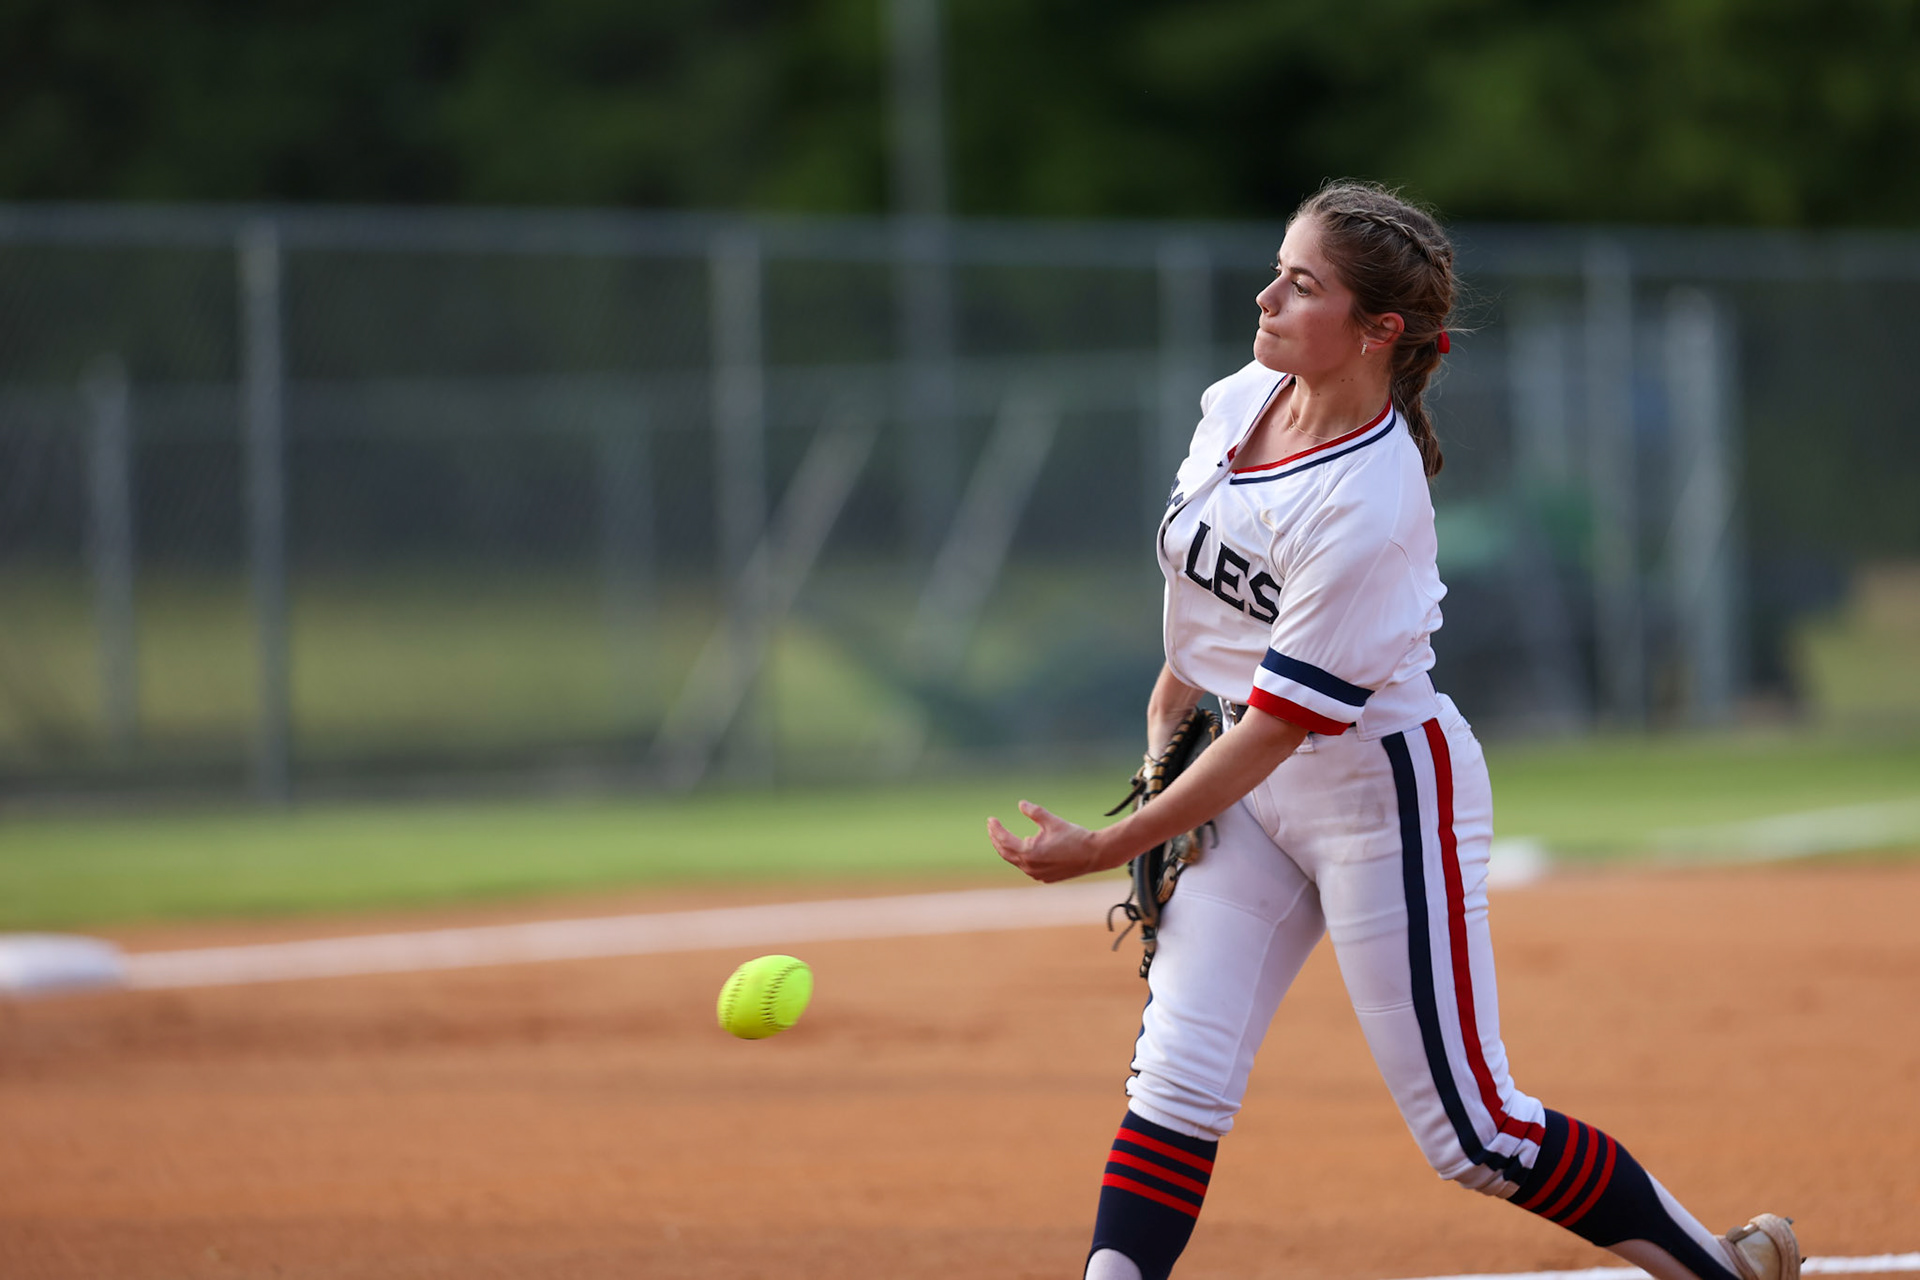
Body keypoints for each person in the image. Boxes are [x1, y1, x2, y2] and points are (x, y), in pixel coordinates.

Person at [986, 181, 1799, 1280]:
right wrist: (1170, 702)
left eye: (1302, 283)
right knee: (1175, 1080)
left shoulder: (1370, 501)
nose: (1267, 295)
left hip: (1380, 794)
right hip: (1246, 780)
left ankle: (1723, 1267)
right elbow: (1215, 589)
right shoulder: (1239, 401)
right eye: (1279, 267)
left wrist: (1110, 843)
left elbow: (1279, 728)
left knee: (1475, 1133)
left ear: (1380, 331)